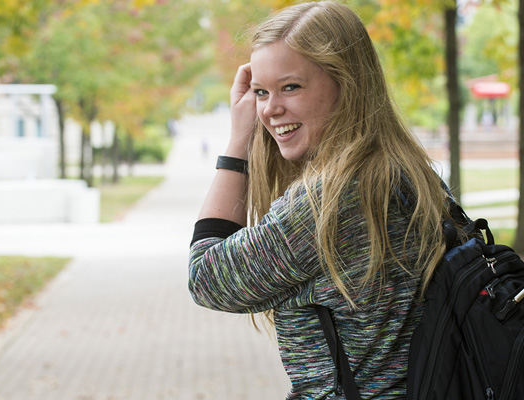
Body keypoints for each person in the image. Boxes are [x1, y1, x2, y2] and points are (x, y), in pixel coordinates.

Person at [188, 2, 462, 398]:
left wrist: (237, 142)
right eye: (261, 92)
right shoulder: (408, 175)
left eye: (291, 87)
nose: (269, 110)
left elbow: (207, 278)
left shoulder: (332, 201)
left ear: (346, 83)